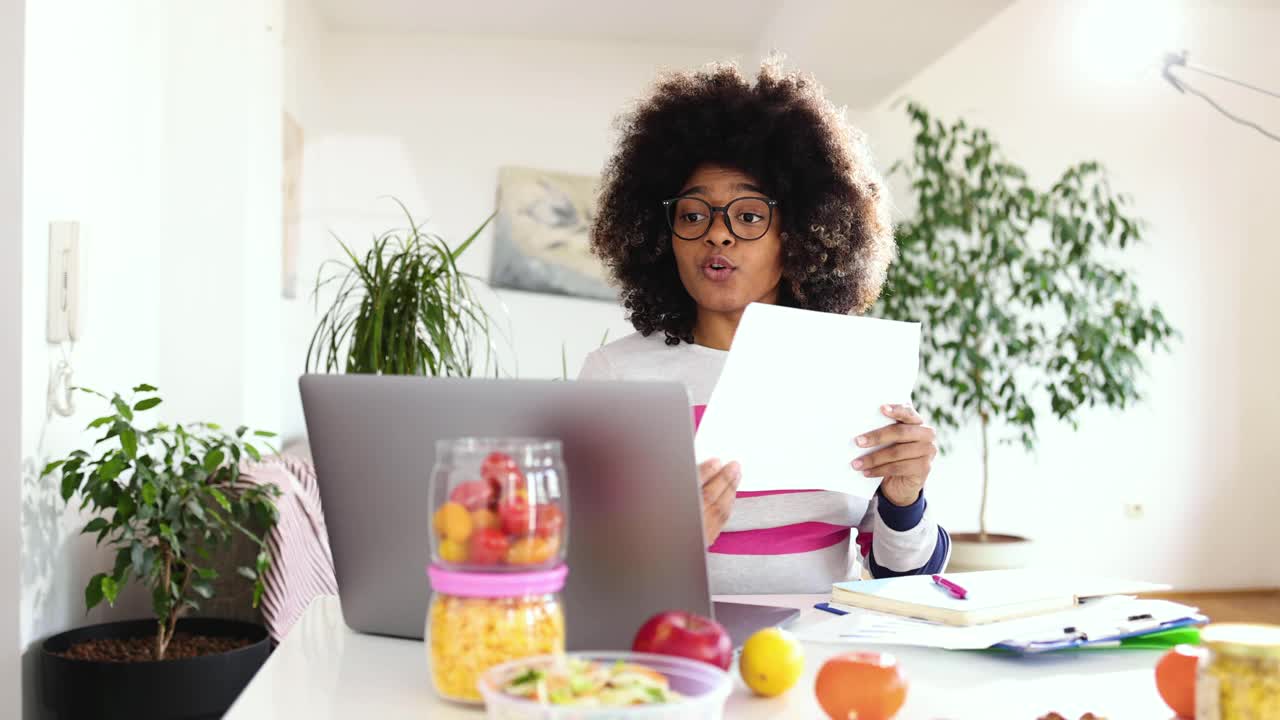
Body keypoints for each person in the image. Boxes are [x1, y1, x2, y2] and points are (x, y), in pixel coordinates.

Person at [579, 59, 949, 594]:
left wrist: (905, 494)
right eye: (692, 214)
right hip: (673, 650)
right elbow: (581, 568)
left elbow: (905, 577)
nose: (718, 236)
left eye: (749, 216)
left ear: (798, 235)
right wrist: (663, 541)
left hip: (819, 658)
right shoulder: (617, 377)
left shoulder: (853, 373)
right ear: (664, 238)